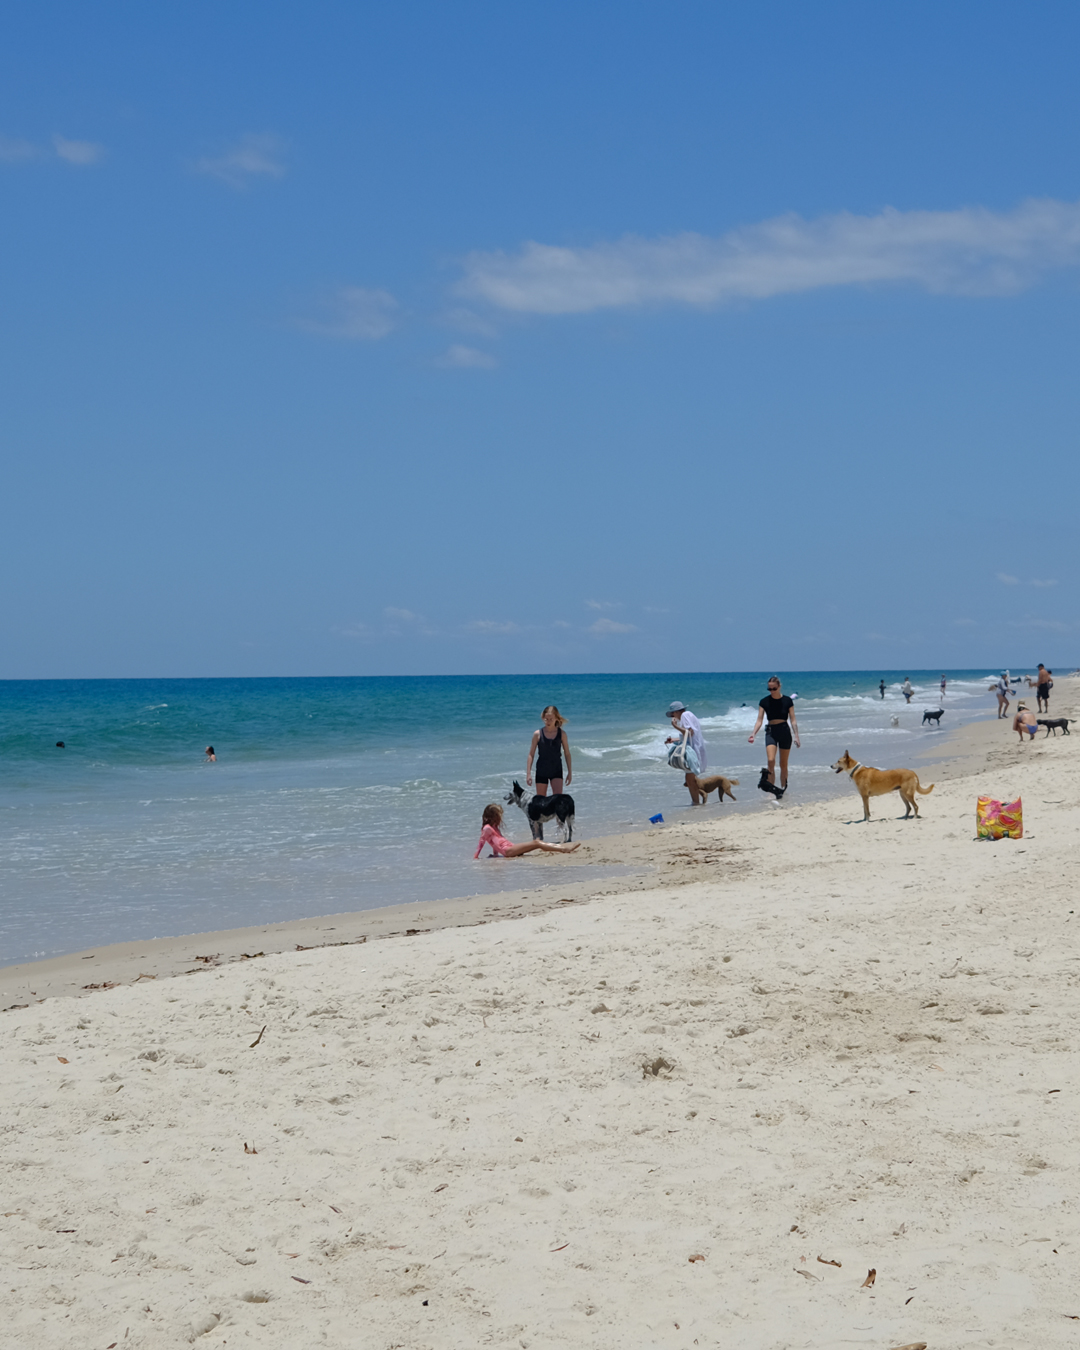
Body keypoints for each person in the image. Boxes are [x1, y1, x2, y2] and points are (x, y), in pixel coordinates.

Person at [748, 676, 800, 793]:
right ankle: (771, 790)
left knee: (783, 764)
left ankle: (783, 790)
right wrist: (753, 734)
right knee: (771, 760)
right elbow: (759, 720)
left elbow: (793, 720)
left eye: (774, 689)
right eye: (769, 689)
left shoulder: (787, 701)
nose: (771, 691)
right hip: (771, 731)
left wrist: (796, 736)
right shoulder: (764, 702)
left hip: (784, 731)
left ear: (779, 686)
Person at [474, 803, 581, 858]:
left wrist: (496, 855)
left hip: (510, 848)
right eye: (499, 816)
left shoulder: (494, 827)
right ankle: (564, 849)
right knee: (537, 843)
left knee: (536, 843)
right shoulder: (487, 828)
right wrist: (476, 857)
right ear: (493, 816)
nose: (500, 818)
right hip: (508, 851)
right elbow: (481, 844)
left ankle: (562, 848)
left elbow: (495, 843)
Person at [665, 701, 708, 805]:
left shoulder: (685, 715)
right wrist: (674, 740)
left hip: (692, 751)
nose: (673, 717)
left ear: (676, 712)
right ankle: (697, 800)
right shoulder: (689, 715)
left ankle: (696, 802)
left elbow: (689, 733)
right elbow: (688, 736)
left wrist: (675, 726)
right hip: (695, 748)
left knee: (689, 779)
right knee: (690, 778)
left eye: (673, 714)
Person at [526, 706, 572, 796]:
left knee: (557, 799)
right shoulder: (537, 734)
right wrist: (528, 773)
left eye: (551, 719)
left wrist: (570, 773)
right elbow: (531, 754)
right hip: (541, 770)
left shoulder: (562, 734)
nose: (548, 721)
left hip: (556, 769)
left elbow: (567, 754)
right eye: (546, 719)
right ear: (543, 718)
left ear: (556, 718)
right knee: (541, 801)